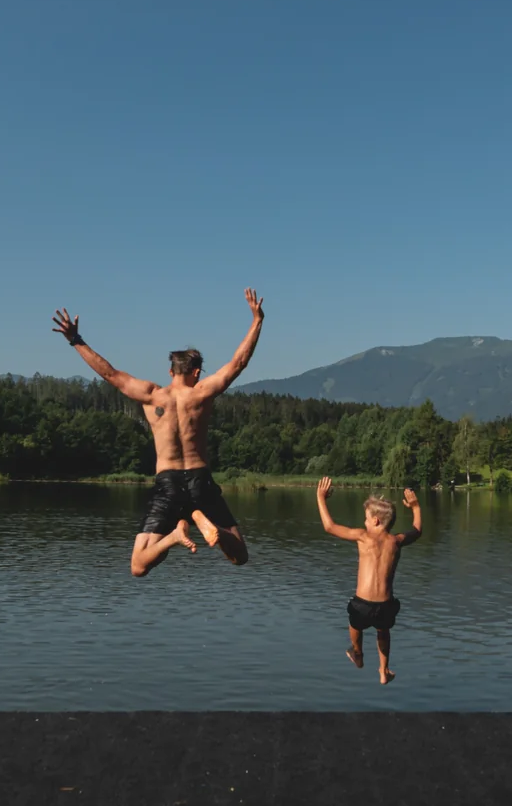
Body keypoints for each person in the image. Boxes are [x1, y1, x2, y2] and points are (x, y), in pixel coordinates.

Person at [52, 289, 265, 577]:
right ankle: (210, 527)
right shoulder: (201, 394)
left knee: (138, 566)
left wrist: (76, 340)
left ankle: (174, 537)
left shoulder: (152, 396)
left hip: (167, 482)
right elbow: (239, 363)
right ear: (197, 372)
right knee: (239, 556)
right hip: (200, 479)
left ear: (170, 371)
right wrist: (256, 321)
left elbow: (109, 374)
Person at [315, 476, 422, 684]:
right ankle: (384, 670)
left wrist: (320, 498)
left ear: (375, 521)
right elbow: (417, 530)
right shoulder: (396, 541)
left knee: (355, 626)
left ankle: (358, 653)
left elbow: (329, 526)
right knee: (383, 632)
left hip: (362, 604)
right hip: (386, 605)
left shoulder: (363, 536)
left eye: (366, 518)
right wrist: (416, 507)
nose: (364, 522)